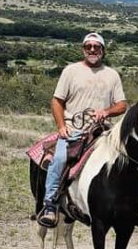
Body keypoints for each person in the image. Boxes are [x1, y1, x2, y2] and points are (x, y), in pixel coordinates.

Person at [37, 32, 128, 227]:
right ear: (83, 49)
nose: (92, 50)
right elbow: (57, 101)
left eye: (96, 47)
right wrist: (61, 127)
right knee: (59, 159)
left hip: (102, 131)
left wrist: (106, 111)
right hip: (74, 130)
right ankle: (50, 204)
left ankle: (132, 203)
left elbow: (122, 105)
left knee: (127, 160)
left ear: (103, 50)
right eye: (88, 46)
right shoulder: (71, 71)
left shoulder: (112, 75)